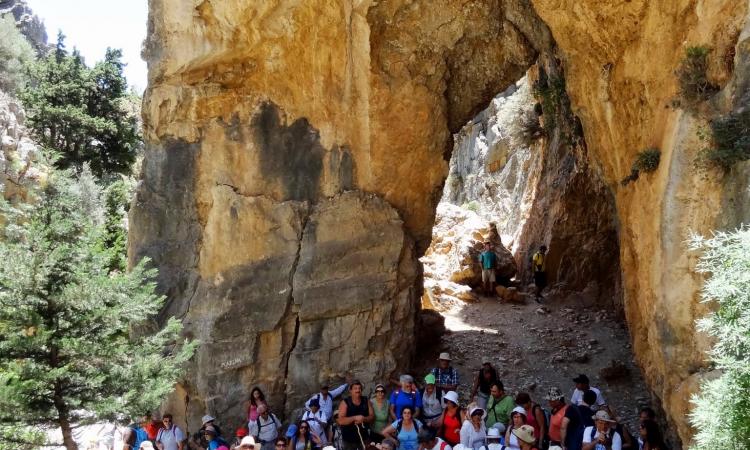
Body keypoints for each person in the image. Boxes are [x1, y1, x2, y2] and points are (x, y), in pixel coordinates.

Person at [338, 380, 374, 450]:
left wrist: (364, 419)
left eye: (359, 388)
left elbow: (372, 416)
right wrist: (355, 418)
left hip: (364, 438)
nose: (358, 390)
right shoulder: (345, 403)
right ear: (350, 391)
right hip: (349, 440)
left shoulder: (366, 401)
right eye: (355, 388)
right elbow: (341, 421)